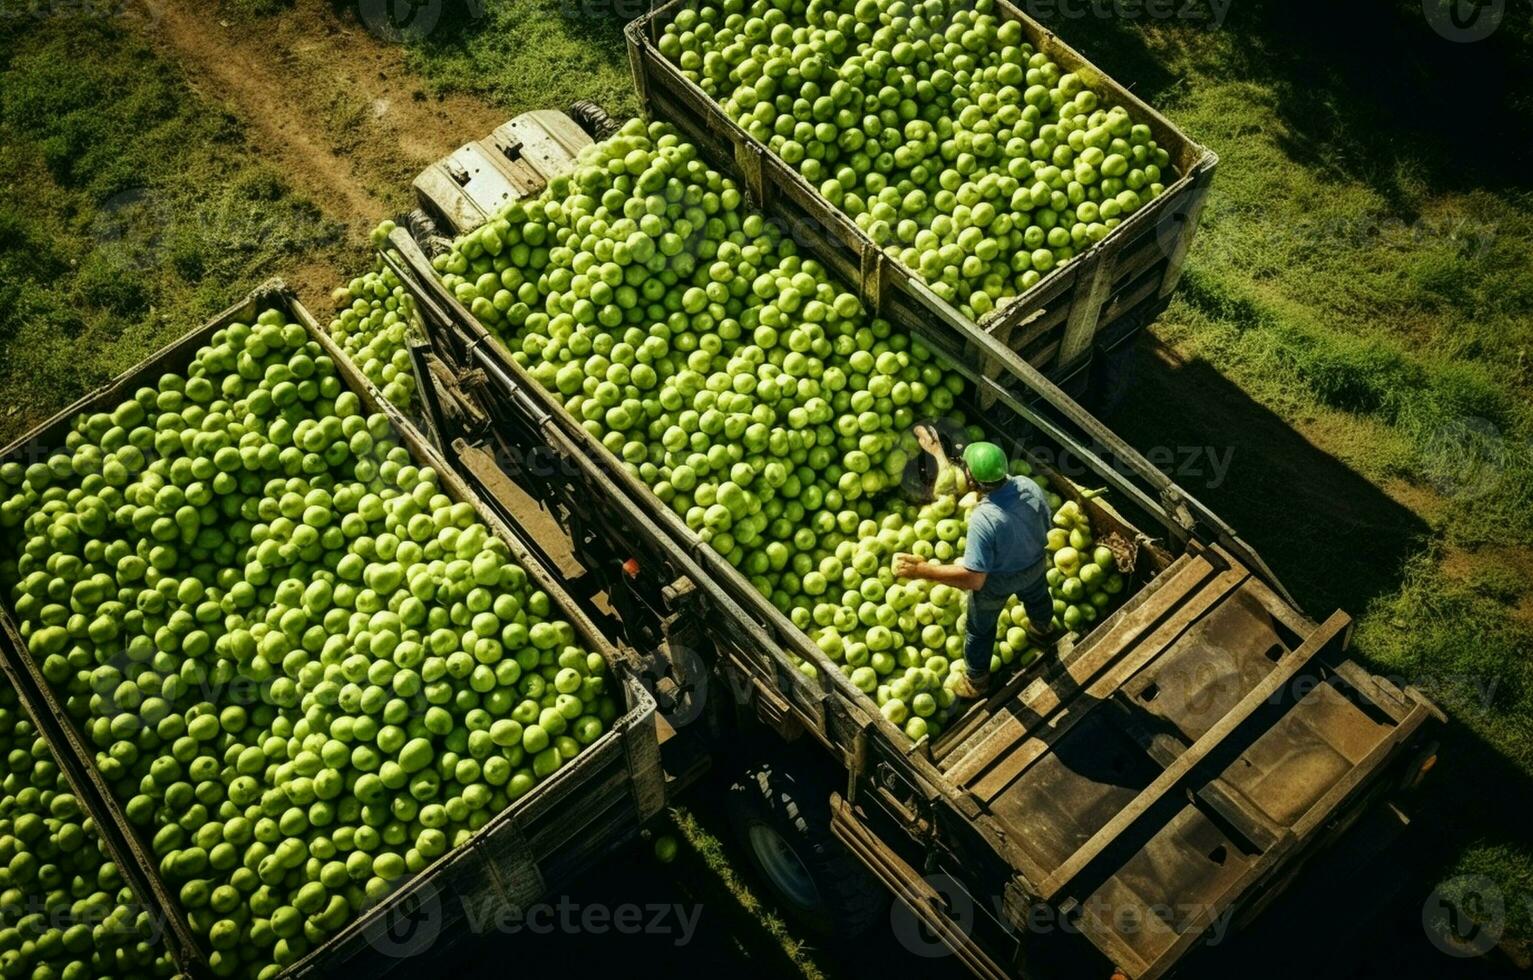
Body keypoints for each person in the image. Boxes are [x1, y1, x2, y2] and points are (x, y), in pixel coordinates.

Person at [893, 441, 1059, 699]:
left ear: (972, 477)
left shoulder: (985, 518)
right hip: (1036, 564)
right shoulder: (1028, 485)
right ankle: (1042, 630)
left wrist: (923, 570)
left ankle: (976, 682)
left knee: (980, 629)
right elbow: (1048, 523)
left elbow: (974, 579)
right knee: (1038, 597)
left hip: (998, 583)